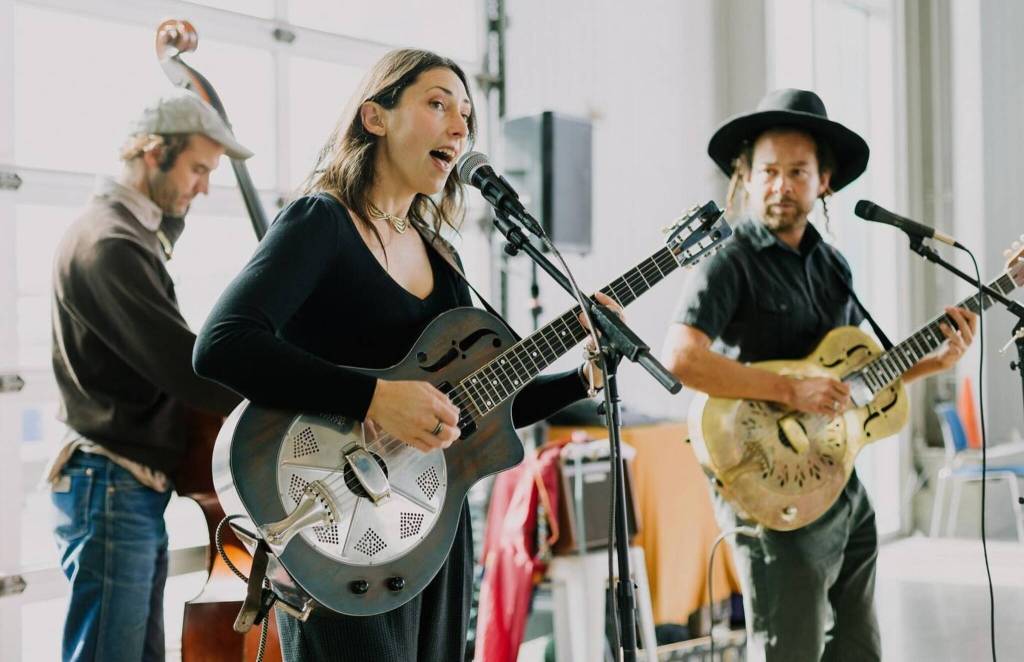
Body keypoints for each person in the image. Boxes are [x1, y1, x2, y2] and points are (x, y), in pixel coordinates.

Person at [192, 48, 617, 662]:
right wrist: (373, 398)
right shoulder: (322, 222)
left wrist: (583, 376)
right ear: (375, 117)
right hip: (336, 523)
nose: (459, 127)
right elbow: (223, 343)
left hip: (432, 532)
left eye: (466, 114)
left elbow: (478, 407)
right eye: (438, 104)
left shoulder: (443, 257)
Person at [660, 89, 977, 661]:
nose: (781, 186)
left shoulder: (834, 266)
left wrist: (934, 362)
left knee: (859, 646)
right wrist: (790, 389)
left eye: (797, 172)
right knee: (791, 648)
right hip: (767, 480)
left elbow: (850, 385)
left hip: (838, 477)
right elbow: (681, 358)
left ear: (824, 181)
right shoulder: (728, 261)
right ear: (746, 178)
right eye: (769, 171)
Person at [47, 91, 251, 661]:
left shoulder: (123, 234)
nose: (203, 187)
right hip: (111, 488)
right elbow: (186, 369)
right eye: (198, 169)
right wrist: (292, 398)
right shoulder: (110, 244)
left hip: (122, 489)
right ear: (154, 152)